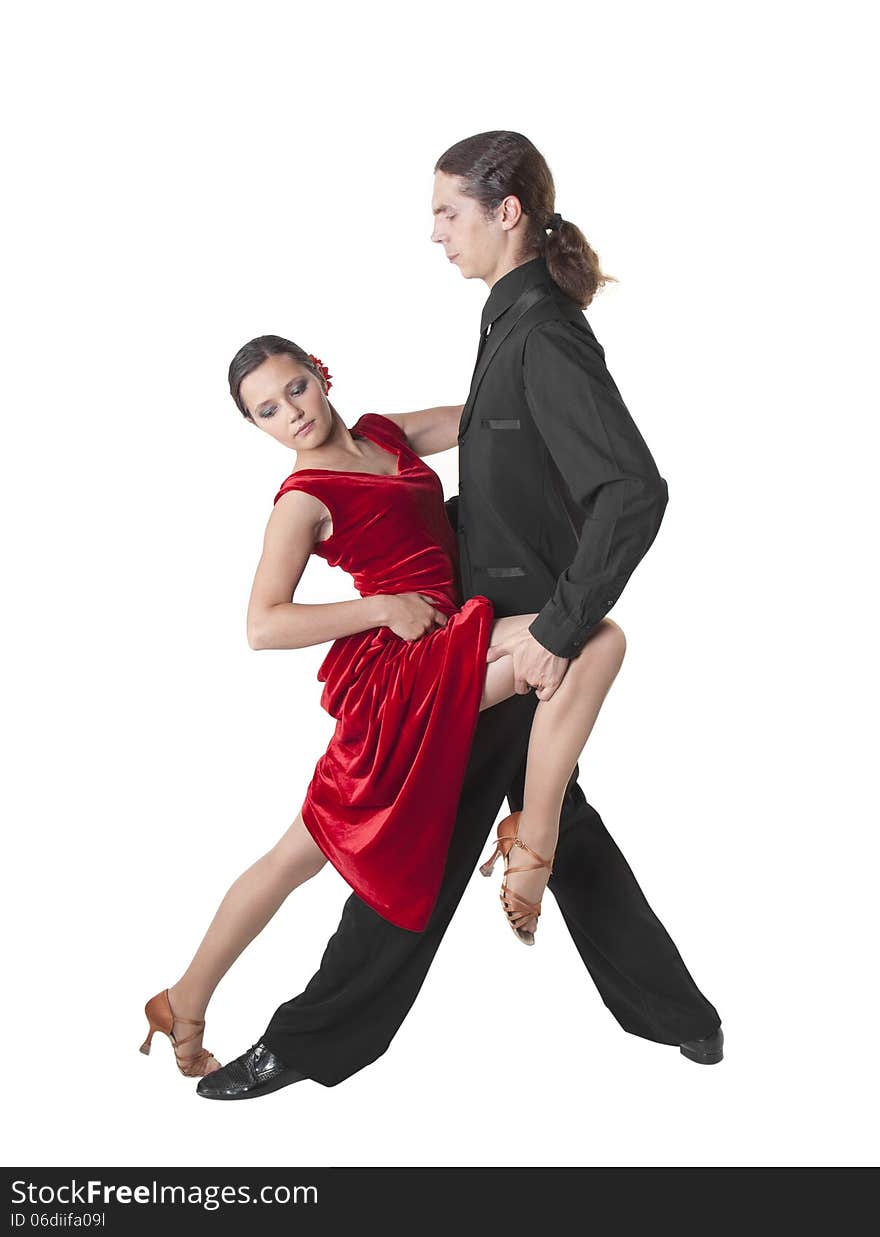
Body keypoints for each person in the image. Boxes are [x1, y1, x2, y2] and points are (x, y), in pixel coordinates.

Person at [195, 130, 723, 1101]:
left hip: (509, 636)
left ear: (504, 211)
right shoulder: (505, 323)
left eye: (448, 212)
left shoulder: (542, 333)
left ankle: (309, 1041)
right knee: (564, 832)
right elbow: (479, 456)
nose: (435, 232)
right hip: (483, 628)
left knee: (416, 849)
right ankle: (679, 1013)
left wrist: (560, 625)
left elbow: (631, 491)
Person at [140, 337, 627, 1081]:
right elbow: (262, 625)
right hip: (399, 671)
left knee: (295, 855)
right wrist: (380, 607)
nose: (291, 414)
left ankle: (183, 999)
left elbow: (486, 417)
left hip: (451, 637)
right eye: (267, 410)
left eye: (296, 388)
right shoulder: (303, 499)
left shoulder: (382, 434)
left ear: (321, 375)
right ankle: (534, 839)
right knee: (591, 639)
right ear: (257, 427)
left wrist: (562, 369)